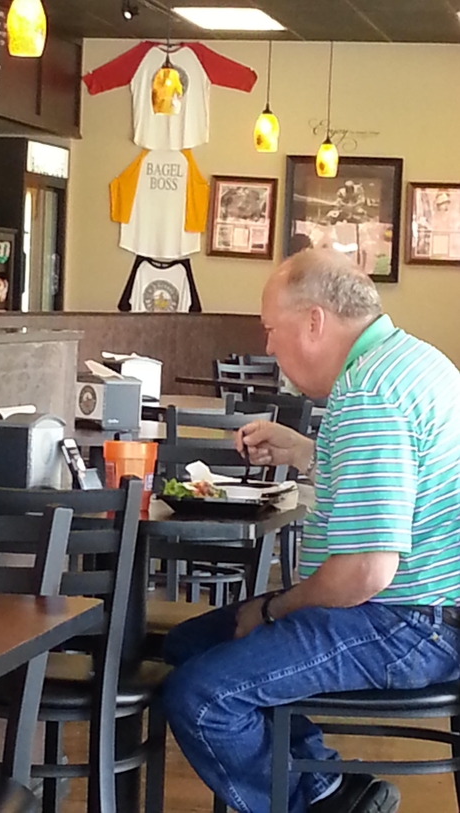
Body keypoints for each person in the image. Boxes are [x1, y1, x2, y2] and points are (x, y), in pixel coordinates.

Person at [162, 248, 460, 813]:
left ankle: (310, 803)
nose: (269, 347)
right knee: (190, 642)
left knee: (202, 696)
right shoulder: (415, 362)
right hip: (428, 611)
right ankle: (325, 788)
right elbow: (399, 483)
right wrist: (309, 452)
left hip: (409, 622)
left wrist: (274, 609)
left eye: (273, 329)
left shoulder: (370, 393)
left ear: (316, 321)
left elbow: (365, 573)